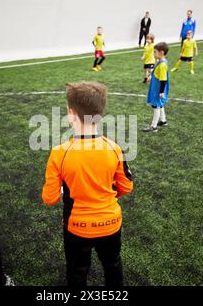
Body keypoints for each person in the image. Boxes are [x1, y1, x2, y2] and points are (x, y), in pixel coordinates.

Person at [42, 81, 134, 287]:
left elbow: (49, 198)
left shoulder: (60, 153)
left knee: (77, 271)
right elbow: (126, 186)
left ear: (71, 113)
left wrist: (66, 189)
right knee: (112, 264)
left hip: (77, 227)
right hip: (111, 223)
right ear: (100, 114)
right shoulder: (114, 148)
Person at [143, 42, 170, 132]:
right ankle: (163, 120)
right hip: (156, 86)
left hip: (158, 88)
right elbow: (156, 71)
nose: (153, 54)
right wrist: (151, 76)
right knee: (160, 104)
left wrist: (161, 92)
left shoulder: (162, 65)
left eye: (155, 52)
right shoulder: (160, 61)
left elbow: (163, 79)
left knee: (156, 106)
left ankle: (153, 126)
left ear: (161, 52)